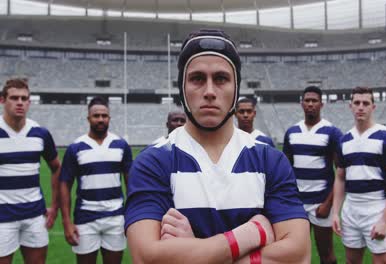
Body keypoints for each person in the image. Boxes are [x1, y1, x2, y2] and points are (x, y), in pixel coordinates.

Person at [125, 29, 311, 264]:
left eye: (221, 79)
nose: (210, 91)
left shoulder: (269, 160)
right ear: (182, 87)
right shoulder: (153, 162)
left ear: (236, 88)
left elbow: (299, 256)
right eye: (197, 79)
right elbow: (146, 258)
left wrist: (195, 252)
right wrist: (251, 234)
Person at [331, 86, 386, 264]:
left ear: (373, 107)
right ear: (350, 106)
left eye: (366, 103)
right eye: (357, 103)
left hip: (376, 208)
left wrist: (385, 220)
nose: (361, 107)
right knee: (352, 261)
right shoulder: (344, 141)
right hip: (351, 209)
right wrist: (335, 213)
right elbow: (340, 178)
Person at [59, 96, 133, 264]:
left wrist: (131, 214)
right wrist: (66, 222)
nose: (100, 119)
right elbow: (65, 183)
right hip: (85, 218)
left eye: (104, 116)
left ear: (109, 118)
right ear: (88, 118)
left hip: (115, 217)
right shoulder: (76, 147)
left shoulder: (121, 145)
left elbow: (131, 183)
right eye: (96, 116)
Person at [0, 78, 61, 264]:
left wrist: (54, 206)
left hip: (35, 215)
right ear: (2, 100)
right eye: (14, 98)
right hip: (2, 217)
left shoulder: (40, 133)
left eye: (24, 98)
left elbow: (57, 168)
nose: (20, 102)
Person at [283, 86, 342, 264]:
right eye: (307, 100)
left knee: (326, 255)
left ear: (321, 104)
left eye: (314, 101)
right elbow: (286, 171)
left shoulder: (332, 132)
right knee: (297, 255)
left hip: (321, 203)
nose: (310, 104)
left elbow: (341, 173)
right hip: (297, 204)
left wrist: (327, 204)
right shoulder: (292, 132)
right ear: (301, 104)